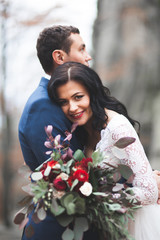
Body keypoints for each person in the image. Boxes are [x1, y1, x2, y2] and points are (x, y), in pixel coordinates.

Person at [48, 61, 160, 240]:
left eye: (78, 97)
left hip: (136, 225)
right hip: (106, 226)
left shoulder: (118, 128)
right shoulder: (80, 131)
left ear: (92, 93)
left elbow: (149, 191)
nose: (72, 107)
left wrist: (94, 200)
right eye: (64, 102)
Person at [18, 26, 98, 240]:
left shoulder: (61, 103)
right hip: (56, 230)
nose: (88, 56)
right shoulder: (43, 106)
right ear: (60, 57)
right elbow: (70, 177)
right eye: (81, 49)